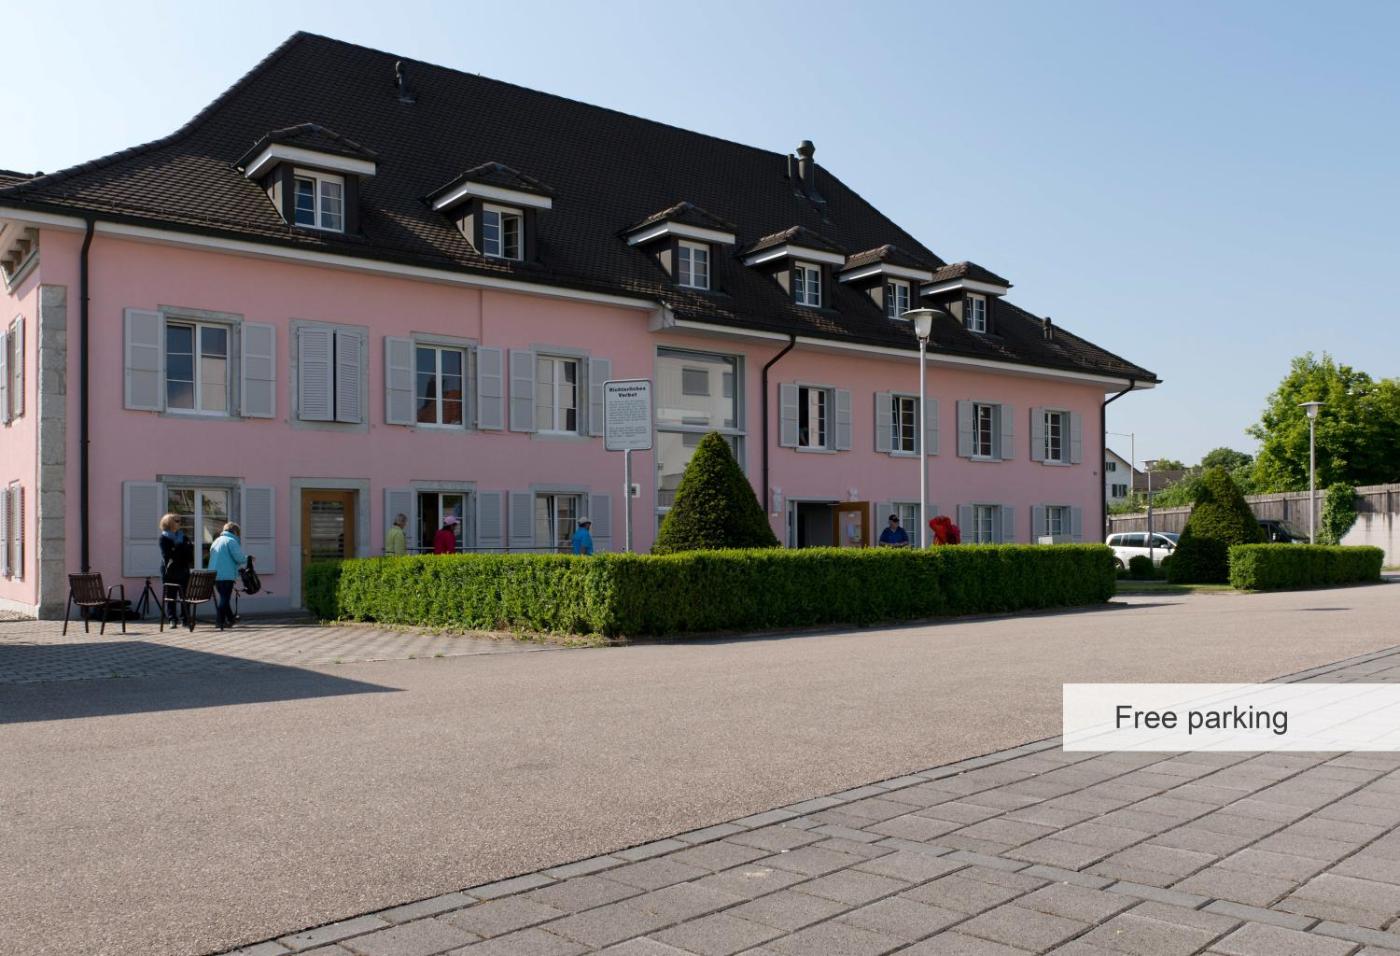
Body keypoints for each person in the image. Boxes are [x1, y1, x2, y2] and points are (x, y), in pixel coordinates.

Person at [207, 522, 247, 629]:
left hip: (215, 575)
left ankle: (230, 619)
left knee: (224, 598)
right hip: (226, 575)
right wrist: (248, 558)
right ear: (235, 532)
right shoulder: (231, 541)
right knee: (225, 599)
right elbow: (239, 558)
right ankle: (219, 621)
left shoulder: (216, 541)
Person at [158, 513, 195, 625]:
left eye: (180, 520)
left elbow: (190, 557)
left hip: (183, 570)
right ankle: (172, 619)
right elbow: (167, 555)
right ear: (169, 523)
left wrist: (178, 549)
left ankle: (185, 619)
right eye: (177, 521)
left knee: (185, 596)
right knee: (171, 596)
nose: (180, 523)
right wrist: (181, 548)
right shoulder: (163, 538)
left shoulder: (183, 537)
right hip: (170, 571)